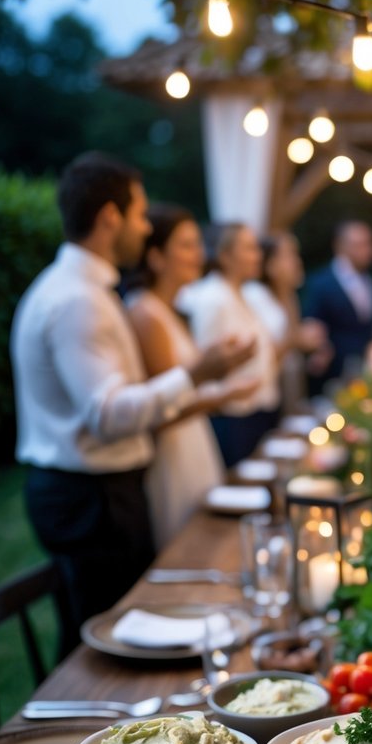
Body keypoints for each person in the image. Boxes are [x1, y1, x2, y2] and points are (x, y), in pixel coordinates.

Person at [10, 153, 253, 651]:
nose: (145, 230)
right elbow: (107, 415)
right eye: (140, 215)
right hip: (89, 495)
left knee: (106, 630)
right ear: (109, 218)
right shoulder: (77, 299)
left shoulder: (83, 292)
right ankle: (95, 723)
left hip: (91, 490)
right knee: (103, 643)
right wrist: (194, 375)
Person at [126, 205, 259, 549]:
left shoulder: (165, 311)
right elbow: (162, 412)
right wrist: (223, 393)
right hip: (174, 455)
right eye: (186, 245)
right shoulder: (146, 314)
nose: (199, 254)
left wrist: (217, 366)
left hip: (193, 443)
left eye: (198, 244)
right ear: (156, 257)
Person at [178, 222, 280, 467]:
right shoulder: (213, 299)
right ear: (225, 256)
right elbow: (204, 364)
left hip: (252, 410)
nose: (258, 256)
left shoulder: (243, 293)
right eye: (249, 249)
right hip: (229, 417)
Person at [242, 231, 329, 412]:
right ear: (270, 264)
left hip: (286, 388)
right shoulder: (255, 297)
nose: (298, 261)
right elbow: (261, 354)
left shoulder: (288, 295)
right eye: (290, 255)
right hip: (260, 398)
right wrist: (297, 340)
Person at [302, 220, 372, 389]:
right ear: (340, 246)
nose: (367, 250)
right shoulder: (320, 282)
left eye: (369, 244)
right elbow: (312, 323)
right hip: (331, 374)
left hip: (365, 372)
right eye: (359, 245)